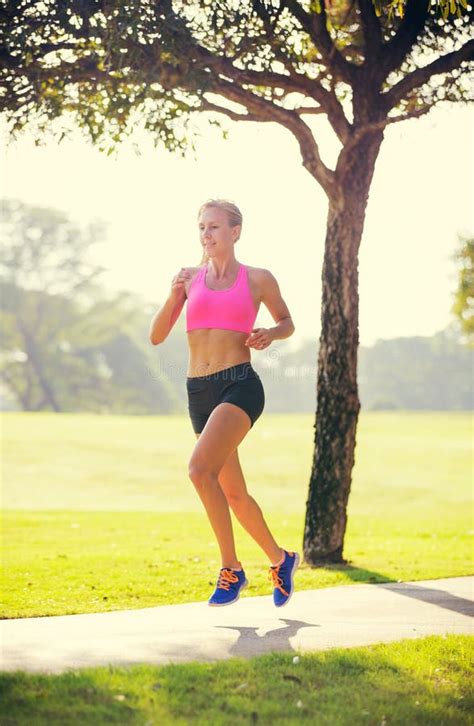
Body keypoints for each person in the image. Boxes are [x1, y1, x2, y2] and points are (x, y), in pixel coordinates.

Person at [149, 199, 299, 608]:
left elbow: (287, 322)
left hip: (239, 385)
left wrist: (270, 332)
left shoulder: (257, 278)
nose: (207, 234)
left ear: (236, 232)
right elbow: (158, 335)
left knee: (199, 470)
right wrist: (172, 292)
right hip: (199, 390)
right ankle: (281, 559)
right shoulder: (189, 279)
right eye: (201, 227)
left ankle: (231, 569)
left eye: (215, 226)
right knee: (233, 493)